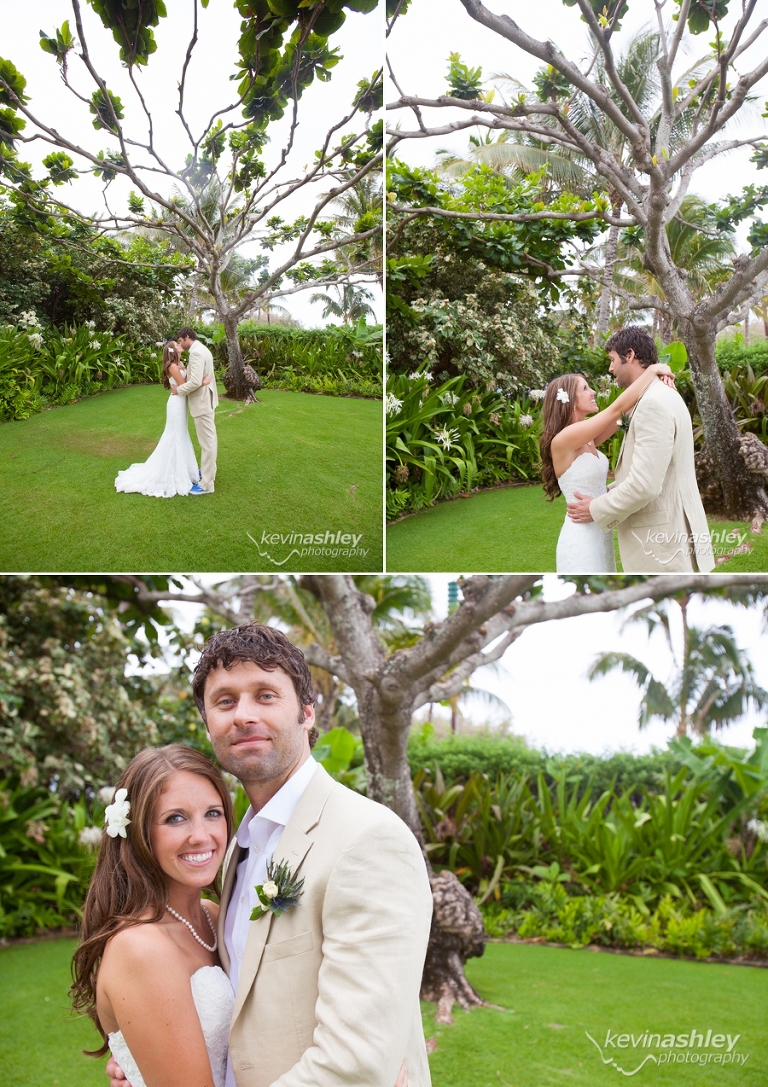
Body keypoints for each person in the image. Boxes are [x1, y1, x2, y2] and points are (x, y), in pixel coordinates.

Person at [105, 622, 432, 1087]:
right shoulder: (237, 846)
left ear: (307, 712)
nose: (243, 715)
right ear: (207, 723)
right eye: (224, 701)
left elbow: (356, 1065)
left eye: (265, 695)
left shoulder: (368, 840)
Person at [71, 744, 236, 1087]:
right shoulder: (141, 948)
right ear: (139, 833)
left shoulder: (214, 915)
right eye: (175, 818)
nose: (201, 836)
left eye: (213, 813)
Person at [566, 327, 715, 573]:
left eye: (613, 360)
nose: (610, 369)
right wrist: (608, 491)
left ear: (630, 354)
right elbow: (662, 472)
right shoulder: (664, 394)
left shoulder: (652, 404)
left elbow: (645, 484)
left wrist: (596, 508)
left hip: (662, 545)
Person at [540, 361, 674, 572]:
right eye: (585, 388)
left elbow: (623, 416)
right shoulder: (565, 438)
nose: (593, 392)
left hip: (599, 528)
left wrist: (657, 381)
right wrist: (651, 370)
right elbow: (617, 409)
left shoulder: (587, 438)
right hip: (580, 538)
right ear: (570, 401)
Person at [114, 341, 212, 498]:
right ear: (173, 350)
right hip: (176, 404)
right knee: (174, 436)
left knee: (181, 435)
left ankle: (184, 469)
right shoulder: (173, 366)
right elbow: (185, 386)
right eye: (177, 344)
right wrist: (202, 382)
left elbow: (184, 386)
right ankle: (172, 472)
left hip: (181, 402)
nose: (181, 345)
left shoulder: (179, 363)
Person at [173, 327, 218, 494]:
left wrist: (179, 390)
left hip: (202, 402)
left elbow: (194, 382)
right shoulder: (202, 348)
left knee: (207, 443)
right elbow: (200, 379)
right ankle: (208, 472)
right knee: (209, 440)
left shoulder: (197, 353)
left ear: (186, 337)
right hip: (206, 399)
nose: (179, 344)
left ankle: (207, 484)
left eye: (180, 341)